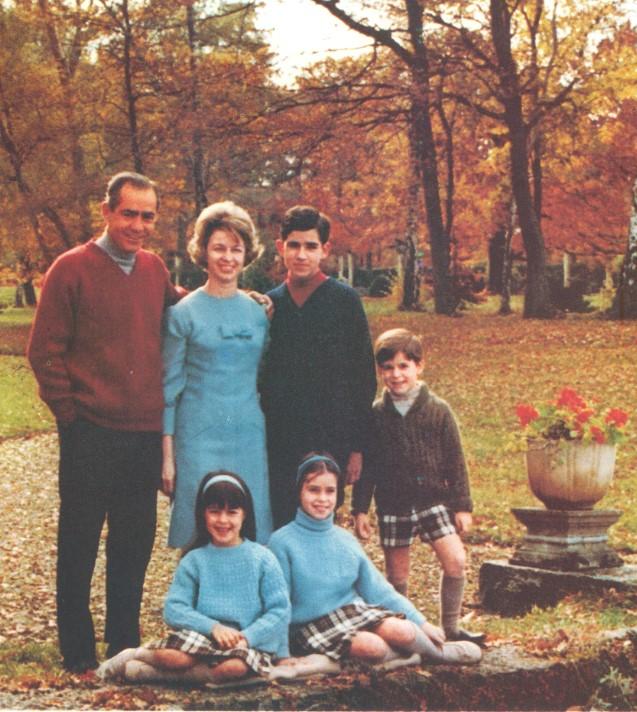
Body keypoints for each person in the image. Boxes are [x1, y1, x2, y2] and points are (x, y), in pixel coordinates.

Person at [27, 172, 183, 673]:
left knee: (132, 546)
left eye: (147, 216)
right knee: (79, 543)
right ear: (107, 212)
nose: (138, 225)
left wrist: (245, 300)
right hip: (89, 430)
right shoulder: (71, 269)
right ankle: (77, 654)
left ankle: (122, 646)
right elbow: (43, 352)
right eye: (129, 213)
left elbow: (185, 312)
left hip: (140, 433)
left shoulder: (154, 270)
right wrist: (70, 417)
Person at [268, 454, 482, 670]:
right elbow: (279, 604)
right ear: (299, 491)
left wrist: (421, 622)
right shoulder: (282, 542)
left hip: (352, 612)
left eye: (330, 491)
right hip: (308, 626)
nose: (322, 499)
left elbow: (379, 590)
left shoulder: (345, 539)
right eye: (314, 490)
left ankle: (438, 653)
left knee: (404, 631)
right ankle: (410, 658)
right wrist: (282, 653)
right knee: (373, 648)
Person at [352, 328, 485, 644]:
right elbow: (367, 467)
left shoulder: (438, 410)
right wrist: (360, 510)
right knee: (397, 576)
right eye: (388, 368)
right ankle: (406, 632)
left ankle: (451, 627)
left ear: (419, 366)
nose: (396, 375)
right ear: (380, 371)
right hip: (393, 504)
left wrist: (462, 505)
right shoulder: (375, 414)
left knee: (456, 560)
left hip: (433, 502)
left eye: (403, 366)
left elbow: (456, 459)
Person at [97, 472, 291, 685]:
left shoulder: (263, 558)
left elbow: (280, 610)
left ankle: (145, 673)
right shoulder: (194, 559)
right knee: (174, 658)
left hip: (246, 641)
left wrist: (248, 637)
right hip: (203, 636)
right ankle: (133, 655)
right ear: (202, 514)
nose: (223, 520)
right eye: (214, 512)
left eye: (232, 512)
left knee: (234, 668)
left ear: (245, 515)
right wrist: (212, 627)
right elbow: (174, 608)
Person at [162, 201, 273, 547]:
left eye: (236, 249)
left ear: (247, 254)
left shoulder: (259, 314)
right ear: (203, 252)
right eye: (219, 248)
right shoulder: (183, 314)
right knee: (200, 524)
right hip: (197, 435)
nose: (227, 257)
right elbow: (168, 389)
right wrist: (167, 457)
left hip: (247, 434)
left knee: (249, 525)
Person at [260, 206, 376, 528]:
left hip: (331, 436)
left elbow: (363, 378)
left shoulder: (344, 301)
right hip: (280, 439)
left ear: (324, 250)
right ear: (280, 246)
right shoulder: (269, 305)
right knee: (281, 523)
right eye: (294, 245)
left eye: (311, 246)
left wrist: (357, 447)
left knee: (320, 523)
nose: (301, 254)